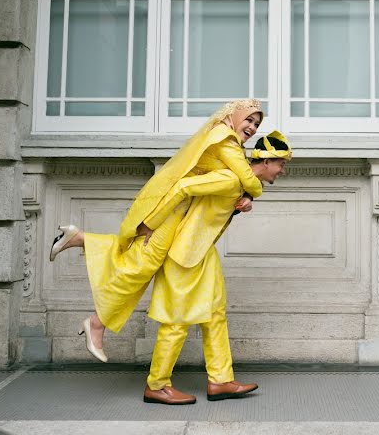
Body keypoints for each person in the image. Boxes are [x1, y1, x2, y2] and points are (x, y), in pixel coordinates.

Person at [47, 99, 265, 362]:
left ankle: (80, 241)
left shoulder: (225, 139)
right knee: (141, 265)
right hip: (171, 212)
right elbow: (249, 180)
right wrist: (151, 222)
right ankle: (96, 323)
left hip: (178, 212)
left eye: (257, 123)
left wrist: (246, 199)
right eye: (249, 120)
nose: (253, 128)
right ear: (235, 115)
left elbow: (236, 184)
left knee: (138, 261)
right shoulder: (225, 140)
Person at [143, 131, 291, 405]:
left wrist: (247, 199)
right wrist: (149, 225)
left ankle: (221, 380)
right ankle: (157, 384)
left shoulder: (241, 182)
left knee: (214, 315)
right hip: (184, 254)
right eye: (282, 164)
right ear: (268, 161)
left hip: (202, 251)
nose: (283, 170)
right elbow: (183, 187)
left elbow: (231, 194)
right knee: (177, 321)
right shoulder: (230, 177)